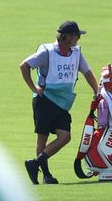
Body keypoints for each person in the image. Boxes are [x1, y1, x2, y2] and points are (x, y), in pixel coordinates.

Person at [19, 20, 99, 185]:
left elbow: (87, 72)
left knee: (65, 136)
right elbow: (24, 66)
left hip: (63, 103)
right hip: (44, 100)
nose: (78, 39)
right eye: (77, 36)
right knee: (42, 138)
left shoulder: (76, 52)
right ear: (67, 37)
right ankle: (46, 175)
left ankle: (34, 164)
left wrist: (96, 90)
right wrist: (33, 88)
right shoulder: (47, 52)